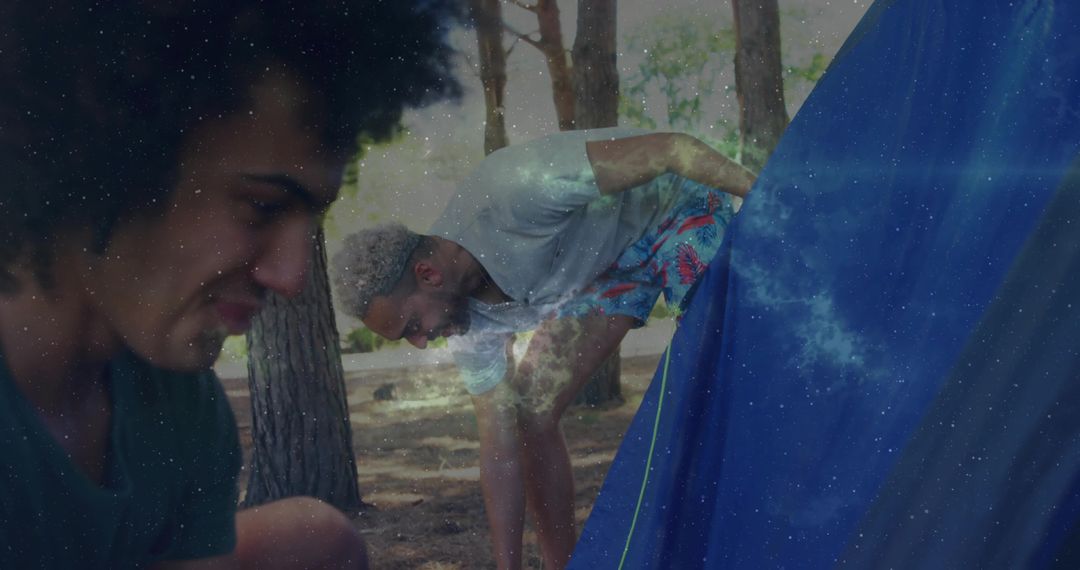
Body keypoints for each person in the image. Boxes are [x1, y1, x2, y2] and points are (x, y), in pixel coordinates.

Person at [0, 1, 457, 568]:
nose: (291, 277)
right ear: (107, 161)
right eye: (261, 207)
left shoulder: (181, 407)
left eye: (309, 220)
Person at [330, 127, 756, 569]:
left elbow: (672, 149)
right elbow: (499, 448)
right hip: (610, 268)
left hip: (675, 207)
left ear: (429, 274)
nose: (421, 343)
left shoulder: (513, 190)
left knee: (715, 368)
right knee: (530, 413)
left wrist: (770, 200)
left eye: (413, 326)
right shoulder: (463, 322)